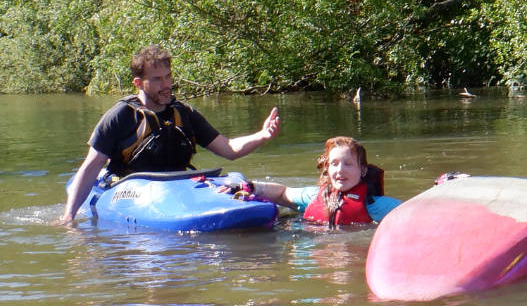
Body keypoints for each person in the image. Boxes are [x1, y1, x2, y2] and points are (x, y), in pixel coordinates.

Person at [58, 45, 281, 225]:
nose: (166, 85)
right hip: (132, 188)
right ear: (138, 83)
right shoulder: (121, 116)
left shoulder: (183, 113)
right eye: (157, 79)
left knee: (235, 179)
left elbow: (229, 149)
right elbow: (92, 165)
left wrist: (262, 135)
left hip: (177, 187)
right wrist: (69, 217)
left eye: (168, 77)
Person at [230, 136, 401, 227]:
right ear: (327, 169)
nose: (340, 170)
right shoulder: (313, 196)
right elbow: (282, 193)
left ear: (362, 170)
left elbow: (412, 214)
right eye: (334, 164)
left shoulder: (378, 207)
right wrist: (251, 187)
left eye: (348, 164)